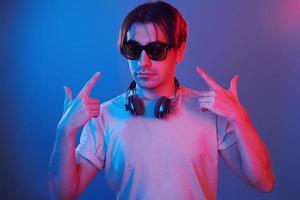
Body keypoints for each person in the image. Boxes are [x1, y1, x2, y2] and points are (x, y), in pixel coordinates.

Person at [48, 1, 275, 199]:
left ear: (179, 51)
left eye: (156, 50)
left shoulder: (209, 111)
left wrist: (239, 118)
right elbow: (63, 194)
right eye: (133, 49)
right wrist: (64, 132)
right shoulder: (104, 117)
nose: (143, 62)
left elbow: (263, 182)